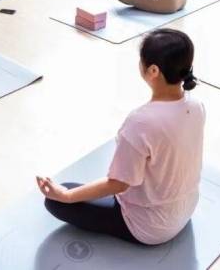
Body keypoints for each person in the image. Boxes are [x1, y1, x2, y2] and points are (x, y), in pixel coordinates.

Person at [37, 29, 205, 245]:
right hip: (186, 209)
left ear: (153, 70)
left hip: (149, 227)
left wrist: (66, 197)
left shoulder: (141, 122)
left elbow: (118, 184)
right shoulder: (196, 106)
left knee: (56, 199)